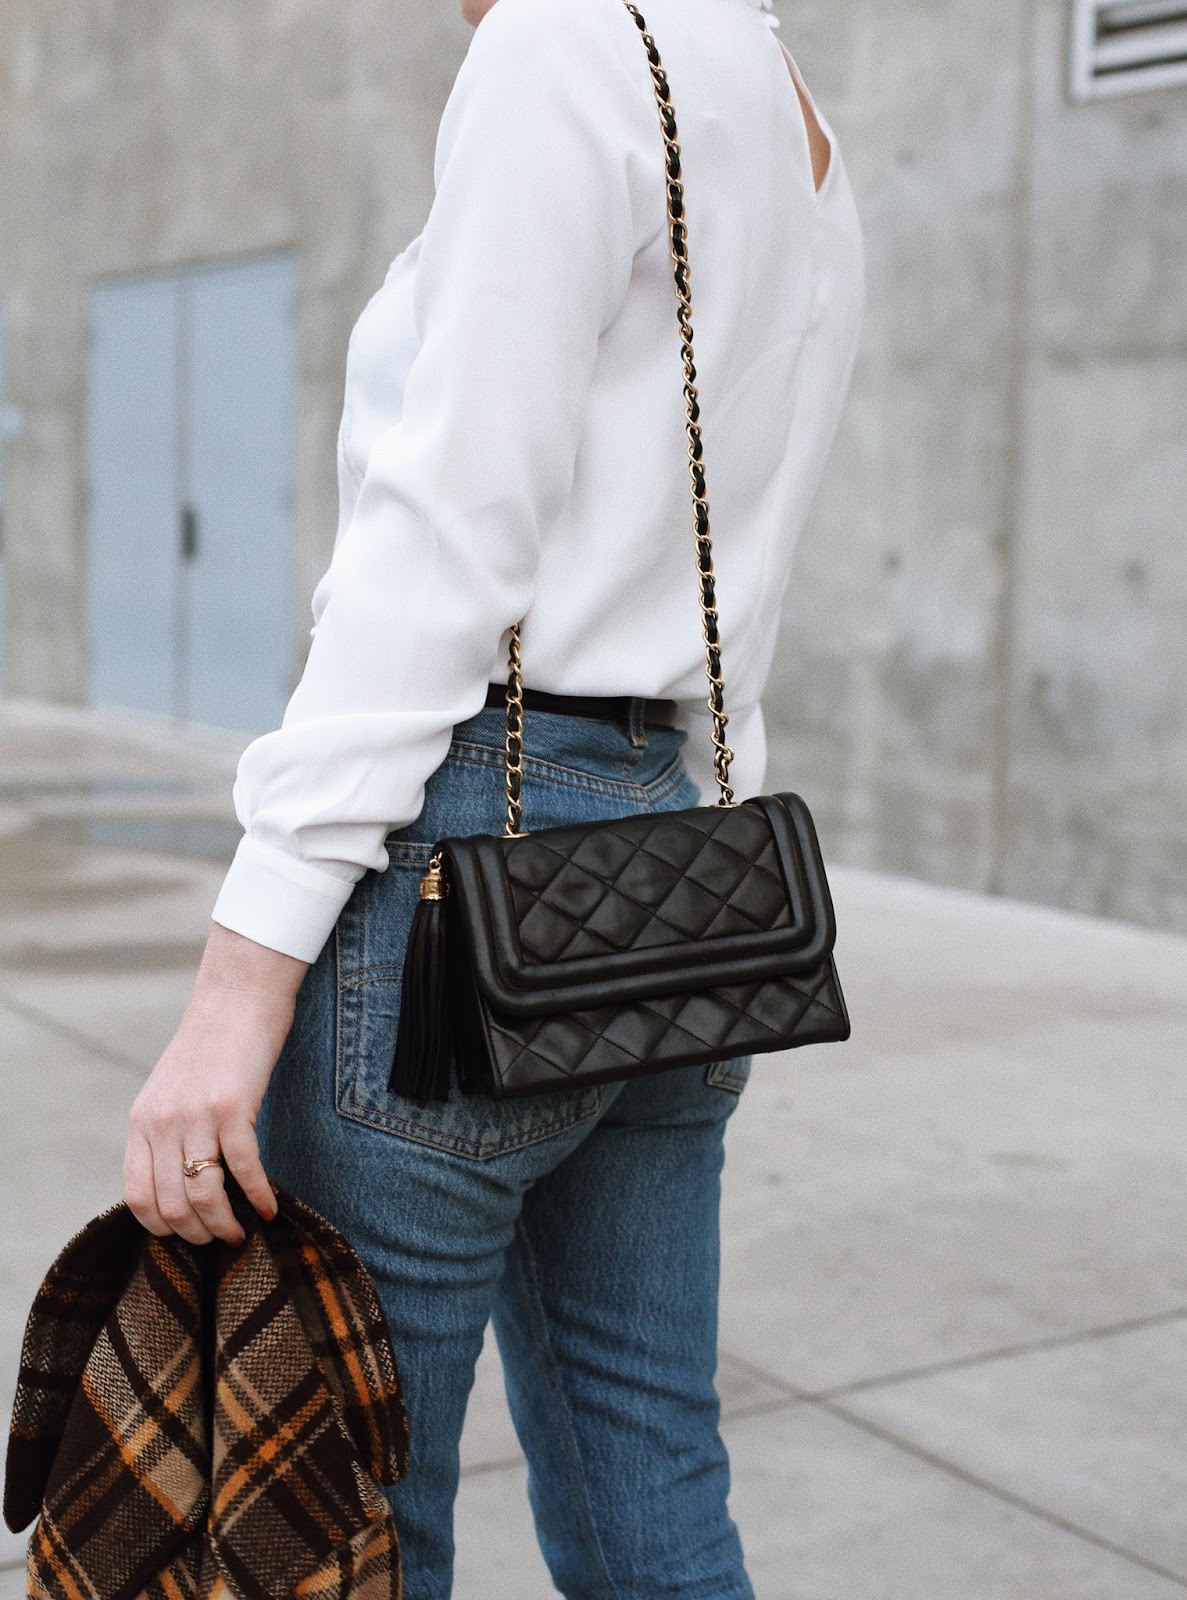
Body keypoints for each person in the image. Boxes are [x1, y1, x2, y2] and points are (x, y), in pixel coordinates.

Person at [122, 0, 864, 1591]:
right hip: (680, 870)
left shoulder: (562, 42)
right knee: (646, 1451)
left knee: (339, 1520)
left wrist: (237, 985)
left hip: (472, 854)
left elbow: (443, 537)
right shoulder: (789, 105)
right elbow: (731, 560)